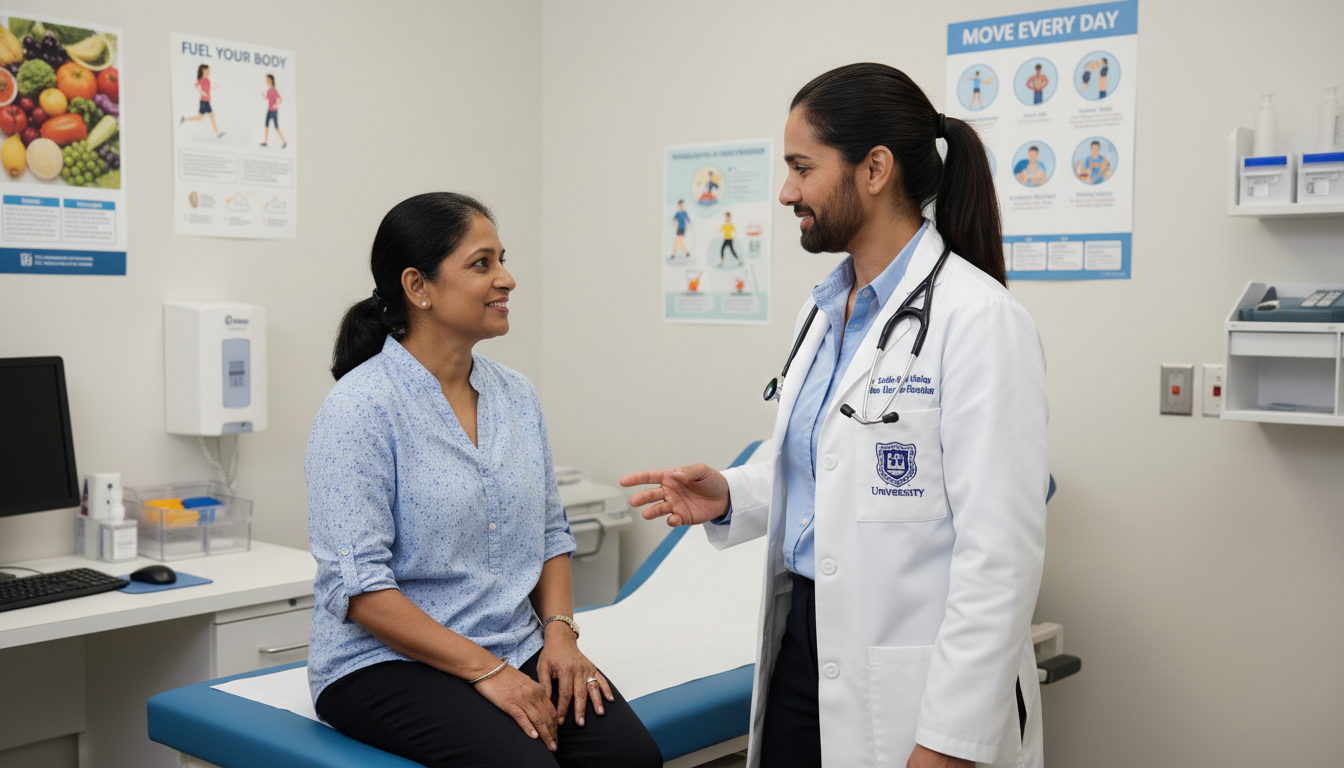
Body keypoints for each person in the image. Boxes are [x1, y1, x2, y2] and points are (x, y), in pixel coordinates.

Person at [621, 62, 1047, 768]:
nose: (786, 192)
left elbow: (999, 559)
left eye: (801, 168)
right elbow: (829, 468)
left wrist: (948, 745)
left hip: (915, 677)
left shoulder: (980, 320)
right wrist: (735, 492)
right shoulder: (821, 314)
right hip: (801, 644)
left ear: (874, 169)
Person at [307, 193, 661, 768]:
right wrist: (487, 671)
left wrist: (561, 637)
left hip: (510, 642)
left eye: (503, 259)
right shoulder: (360, 408)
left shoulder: (515, 394)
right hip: (381, 663)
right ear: (418, 287)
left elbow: (551, 533)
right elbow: (360, 590)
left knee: (630, 757)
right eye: (483, 264)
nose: (508, 279)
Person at [181, 64, 224, 138]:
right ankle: (184, 119)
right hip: (203, 102)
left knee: (210, 117)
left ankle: (218, 133)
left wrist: (215, 86)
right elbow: (196, 86)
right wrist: (202, 93)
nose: (209, 72)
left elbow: (209, 88)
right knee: (199, 118)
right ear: (203, 71)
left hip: (207, 102)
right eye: (207, 70)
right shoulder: (201, 81)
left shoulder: (207, 80)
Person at [260, 73, 287, 148]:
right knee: (266, 126)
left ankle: (284, 142)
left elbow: (281, 100)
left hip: (274, 111)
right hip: (269, 110)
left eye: (268, 79)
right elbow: (267, 99)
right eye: (266, 79)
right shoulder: (268, 90)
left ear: (271, 80)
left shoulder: (274, 90)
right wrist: (264, 96)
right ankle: (265, 142)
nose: (267, 81)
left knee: (276, 127)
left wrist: (276, 104)